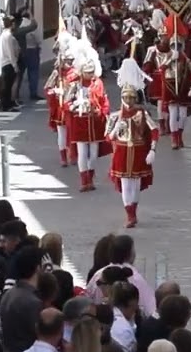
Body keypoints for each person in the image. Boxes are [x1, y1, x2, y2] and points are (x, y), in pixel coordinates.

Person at [107, 62, 158, 228]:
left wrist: (152, 150)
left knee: (135, 185)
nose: (128, 100)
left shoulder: (142, 113)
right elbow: (108, 137)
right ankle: (129, 215)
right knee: (125, 184)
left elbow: (154, 130)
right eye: (126, 97)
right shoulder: (116, 115)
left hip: (138, 152)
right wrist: (116, 128)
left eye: (131, 97)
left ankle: (133, 211)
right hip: (122, 152)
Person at [64, 59, 111, 193]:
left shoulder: (98, 83)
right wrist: (76, 106)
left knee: (94, 153)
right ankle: (84, 181)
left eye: (91, 72)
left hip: (95, 122)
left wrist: (102, 111)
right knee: (82, 153)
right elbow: (66, 103)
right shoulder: (74, 85)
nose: (90, 75)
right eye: (87, 72)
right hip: (79, 122)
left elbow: (104, 100)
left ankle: (90, 178)